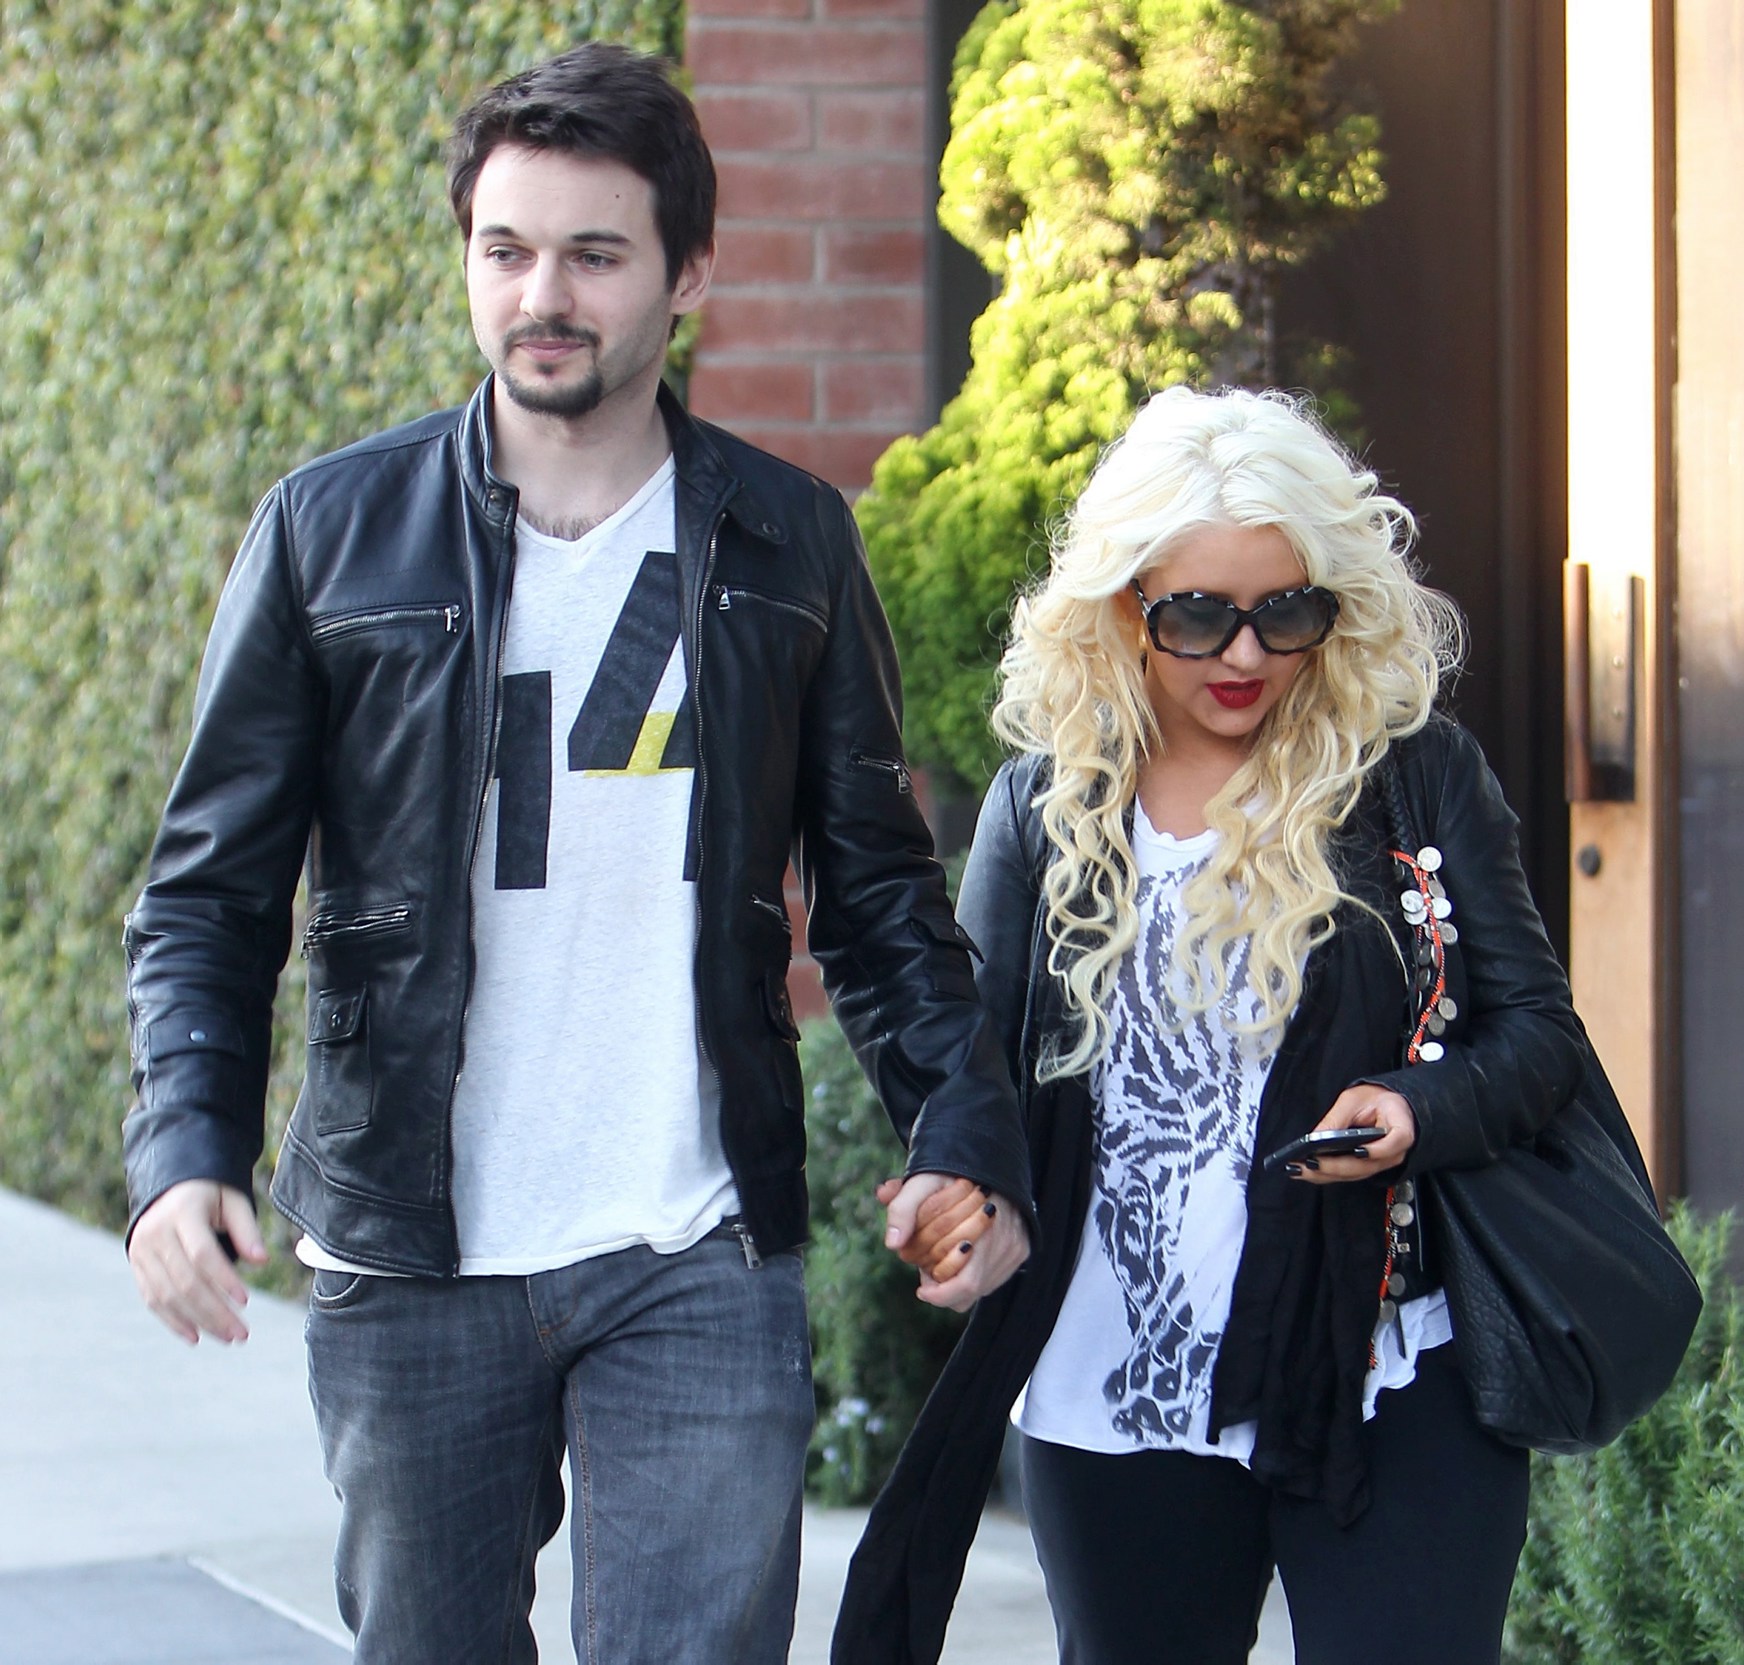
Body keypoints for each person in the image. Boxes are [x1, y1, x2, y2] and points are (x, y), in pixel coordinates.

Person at [121, 43, 1031, 1665]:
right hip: (412, 1249)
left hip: (695, 1240)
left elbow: (881, 895)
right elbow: (210, 893)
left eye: (594, 255)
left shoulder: (787, 542)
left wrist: (963, 1133)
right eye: (506, 249)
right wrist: (182, 1147)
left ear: (690, 275)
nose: (541, 296)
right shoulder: (331, 533)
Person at [833, 386, 1587, 1665]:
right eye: (1197, 616)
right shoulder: (1046, 810)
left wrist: (1417, 1110)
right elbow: (976, 1073)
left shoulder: (1410, 778)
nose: (1245, 657)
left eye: (1285, 613)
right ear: (1123, 607)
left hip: (1383, 1370)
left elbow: (1539, 1037)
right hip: (1117, 1386)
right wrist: (963, 1188)